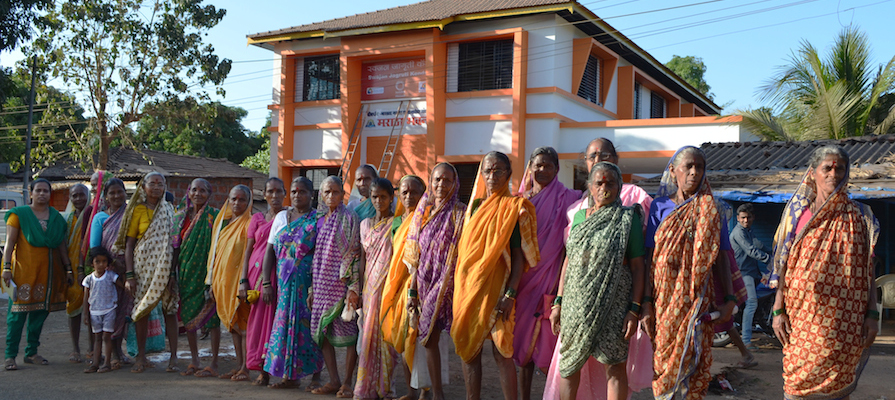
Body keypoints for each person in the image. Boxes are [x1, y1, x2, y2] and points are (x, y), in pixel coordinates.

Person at [544, 139, 654, 400]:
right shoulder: (579, 218)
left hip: (615, 306)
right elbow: (568, 264)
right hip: (576, 306)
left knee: (615, 367)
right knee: (569, 367)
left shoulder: (628, 218)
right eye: (599, 183)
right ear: (590, 187)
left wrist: (634, 309)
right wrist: (558, 303)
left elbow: (639, 267)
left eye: (610, 183)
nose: (604, 188)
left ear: (619, 186)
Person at [770, 146, 879, 399]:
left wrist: (872, 314)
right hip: (801, 318)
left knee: (837, 387)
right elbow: (784, 264)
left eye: (839, 168)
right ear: (813, 173)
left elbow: (868, 270)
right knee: (797, 381)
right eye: (827, 168)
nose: (833, 174)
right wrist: (778, 309)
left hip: (845, 322)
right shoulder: (796, 214)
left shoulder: (861, 217)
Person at [646, 146, 736, 400]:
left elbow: (722, 259)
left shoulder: (713, 209)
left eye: (700, 167)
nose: (694, 172)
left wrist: (729, 300)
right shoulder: (659, 207)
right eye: (688, 166)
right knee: (663, 361)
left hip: (699, 301)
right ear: (674, 171)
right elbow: (647, 257)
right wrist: (645, 302)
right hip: (664, 302)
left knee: (696, 366)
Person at [453, 152, 540, 400]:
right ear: (481, 174)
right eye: (488, 170)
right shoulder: (475, 208)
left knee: (502, 353)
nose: (492, 176)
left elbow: (518, 257)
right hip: (468, 289)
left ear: (508, 175)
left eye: (498, 170)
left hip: (499, 291)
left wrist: (510, 294)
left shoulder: (514, 208)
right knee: (469, 351)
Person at [512, 147, 579, 400]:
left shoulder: (570, 198)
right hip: (523, 280)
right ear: (529, 167)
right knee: (522, 344)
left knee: (548, 345)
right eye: (537, 165)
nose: (541, 170)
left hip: (551, 280)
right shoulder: (519, 200)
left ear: (557, 169)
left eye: (547, 166)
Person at [402, 164, 465, 400]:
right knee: (428, 337)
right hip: (424, 283)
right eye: (437, 179)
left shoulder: (460, 213)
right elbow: (415, 256)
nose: (441, 185)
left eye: (447, 180)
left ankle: (443, 391)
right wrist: (412, 291)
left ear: (454, 183)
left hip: (449, 283)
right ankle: (436, 392)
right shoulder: (423, 212)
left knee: (444, 337)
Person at [3, 178, 73, 371]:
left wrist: (68, 269)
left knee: (39, 314)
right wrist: (6, 268)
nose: (42, 194)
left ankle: (31, 353)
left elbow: (61, 246)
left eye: (46, 191)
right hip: (23, 274)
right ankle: (10, 356)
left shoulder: (56, 218)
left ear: (50, 194)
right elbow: (10, 243)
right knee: (16, 316)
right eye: (39, 190)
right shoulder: (19, 214)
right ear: (31, 192)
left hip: (48, 275)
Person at [263, 177, 324, 389]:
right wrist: (265, 283)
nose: (298, 195)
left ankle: (316, 376)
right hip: (284, 284)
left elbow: (322, 253)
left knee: (309, 327)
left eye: (303, 192)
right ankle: (289, 377)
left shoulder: (318, 218)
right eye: (295, 192)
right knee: (283, 326)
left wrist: (316, 286)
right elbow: (270, 251)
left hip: (308, 284)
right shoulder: (281, 217)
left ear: (312, 195)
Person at [116, 172, 178, 373]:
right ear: (144, 187)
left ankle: (174, 357)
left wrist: (172, 273)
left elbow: (175, 243)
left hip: (166, 267)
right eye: (152, 183)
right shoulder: (137, 211)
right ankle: (140, 357)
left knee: (170, 310)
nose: (157, 187)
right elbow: (129, 245)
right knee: (142, 310)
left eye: (161, 183)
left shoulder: (170, 210)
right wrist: (130, 275)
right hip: (143, 267)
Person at [309, 176, 361, 397]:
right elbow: (315, 255)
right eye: (327, 192)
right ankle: (333, 380)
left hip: (342, 286)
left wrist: (353, 287)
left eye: (336, 192)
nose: (331, 196)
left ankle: (348, 382)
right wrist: (312, 289)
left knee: (350, 332)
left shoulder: (349, 217)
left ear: (343, 194)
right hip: (320, 285)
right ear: (321, 194)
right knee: (320, 332)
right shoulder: (319, 218)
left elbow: (354, 251)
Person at [379, 174, 426, 400]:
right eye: (404, 192)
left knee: (420, 339)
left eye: (414, 192)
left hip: (421, 285)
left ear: (423, 194)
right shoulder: (397, 222)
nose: (408, 196)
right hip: (399, 286)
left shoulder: (427, 218)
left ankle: (427, 391)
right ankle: (410, 391)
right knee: (404, 338)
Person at [237, 178, 286, 385]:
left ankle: (281, 371)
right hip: (256, 277)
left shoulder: (289, 216)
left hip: (279, 275)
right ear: (264, 194)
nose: (274, 196)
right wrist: (243, 280)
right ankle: (261, 368)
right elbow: (248, 251)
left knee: (277, 321)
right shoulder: (257, 218)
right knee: (257, 322)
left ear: (285, 194)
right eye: (270, 191)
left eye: (278, 191)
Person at [355, 178, 400, 399]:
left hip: (389, 287)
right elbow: (363, 258)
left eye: (383, 196)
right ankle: (366, 388)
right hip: (369, 287)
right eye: (375, 197)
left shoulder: (397, 224)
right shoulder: (364, 225)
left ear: (391, 198)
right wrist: (361, 286)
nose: (378, 201)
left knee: (387, 339)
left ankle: (385, 387)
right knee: (367, 339)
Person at [171, 178, 220, 377]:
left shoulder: (215, 216)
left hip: (208, 273)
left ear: (209, 194)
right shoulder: (179, 217)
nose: (198, 193)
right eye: (194, 190)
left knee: (213, 318)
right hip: (185, 273)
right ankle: (195, 360)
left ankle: (215, 362)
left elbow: (219, 246)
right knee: (188, 315)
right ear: (188, 192)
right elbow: (175, 248)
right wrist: (172, 274)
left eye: (202, 190)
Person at [208, 185, 254, 381]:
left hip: (241, 284)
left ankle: (246, 367)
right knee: (233, 327)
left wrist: (244, 282)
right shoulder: (223, 224)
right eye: (233, 199)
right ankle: (238, 365)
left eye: (242, 199)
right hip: (223, 283)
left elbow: (249, 255)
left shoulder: (250, 223)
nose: (237, 203)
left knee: (244, 327)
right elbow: (215, 255)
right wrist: (211, 283)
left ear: (248, 202)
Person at [565, 138, 652, 240]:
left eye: (604, 155)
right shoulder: (576, 208)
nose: (597, 160)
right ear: (586, 162)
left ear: (615, 160)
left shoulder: (636, 195)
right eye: (592, 157)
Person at [88, 176, 132, 368]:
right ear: (105, 196)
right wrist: (113, 263)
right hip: (108, 273)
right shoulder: (100, 218)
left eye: (119, 192)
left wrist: (127, 268)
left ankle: (119, 351)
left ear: (125, 194)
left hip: (128, 270)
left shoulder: (131, 215)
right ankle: (113, 354)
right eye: (111, 193)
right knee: (110, 310)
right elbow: (95, 248)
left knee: (124, 310)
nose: (116, 196)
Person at [729, 203, 768, 364]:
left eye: (748, 217)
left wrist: (774, 251)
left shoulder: (749, 232)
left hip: (751, 272)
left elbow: (758, 245)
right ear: (738, 218)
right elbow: (751, 250)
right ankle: (746, 340)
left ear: (753, 218)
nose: (745, 220)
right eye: (743, 218)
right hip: (742, 273)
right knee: (751, 302)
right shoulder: (738, 232)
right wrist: (769, 259)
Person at [82, 246, 123, 373]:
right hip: (95, 311)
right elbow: (86, 298)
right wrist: (86, 314)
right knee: (97, 337)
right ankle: (95, 363)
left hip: (109, 309)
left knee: (106, 336)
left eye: (104, 261)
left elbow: (122, 285)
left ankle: (106, 363)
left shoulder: (111, 276)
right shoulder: (89, 279)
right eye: (97, 262)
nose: (101, 265)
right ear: (92, 263)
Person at [63, 183, 90, 364]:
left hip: (89, 267)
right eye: (75, 196)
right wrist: (67, 269)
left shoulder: (92, 215)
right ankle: (75, 349)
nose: (78, 199)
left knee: (92, 310)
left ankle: (91, 349)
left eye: (82, 195)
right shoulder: (66, 219)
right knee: (73, 309)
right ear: (70, 198)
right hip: (71, 269)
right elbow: (62, 245)